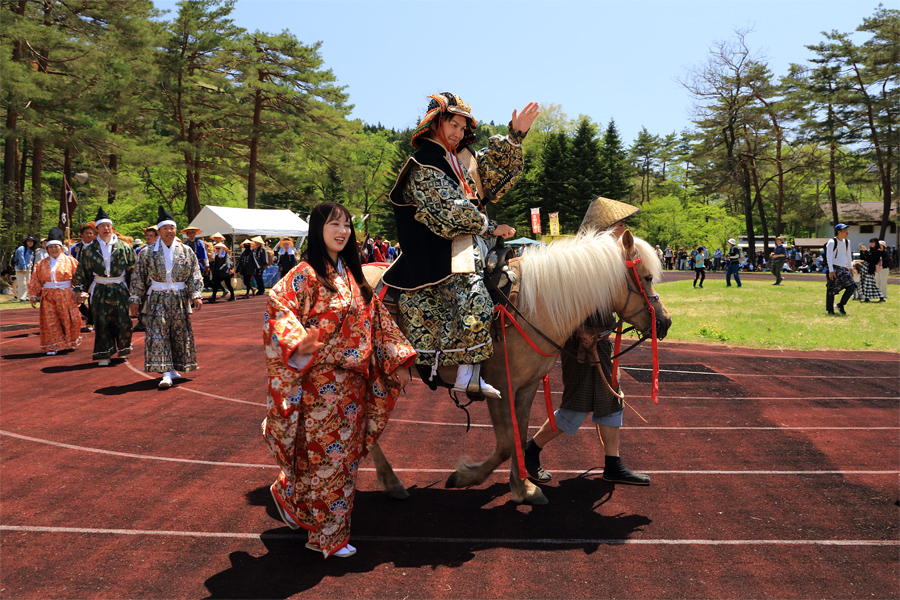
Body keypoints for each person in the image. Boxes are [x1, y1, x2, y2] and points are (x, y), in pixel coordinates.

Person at [263, 201, 416, 558]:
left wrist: (398, 358)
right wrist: (299, 342)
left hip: (355, 385)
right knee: (329, 461)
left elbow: (378, 322)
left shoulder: (353, 275)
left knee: (340, 460)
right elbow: (277, 308)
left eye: (346, 224)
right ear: (318, 229)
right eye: (334, 223)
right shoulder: (304, 273)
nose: (342, 230)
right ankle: (329, 538)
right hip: (319, 383)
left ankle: (289, 493)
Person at [383, 92, 537, 398]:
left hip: (470, 240)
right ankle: (466, 372)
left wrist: (516, 136)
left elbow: (493, 176)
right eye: (452, 125)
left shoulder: (461, 157)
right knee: (474, 293)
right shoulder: (424, 163)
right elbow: (449, 211)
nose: (458, 133)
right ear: (435, 123)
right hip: (438, 246)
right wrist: (491, 227)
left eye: (462, 127)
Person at [523, 195, 652, 487]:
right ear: (606, 228)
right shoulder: (580, 260)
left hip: (600, 341)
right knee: (576, 406)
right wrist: (582, 332)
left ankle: (613, 463)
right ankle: (530, 451)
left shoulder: (610, 259)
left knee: (611, 402)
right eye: (619, 225)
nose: (624, 230)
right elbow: (563, 302)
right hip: (580, 344)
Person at [129, 207, 204, 389]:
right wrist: (135, 299)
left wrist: (196, 295)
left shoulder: (186, 251)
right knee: (159, 333)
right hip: (157, 297)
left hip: (179, 297)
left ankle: (175, 369)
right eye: (165, 229)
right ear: (159, 232)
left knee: (179, 334)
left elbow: (195, 273)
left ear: (176, 230)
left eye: (172, 228)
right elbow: (138, 276)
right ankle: (165, 372)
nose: (169, 231)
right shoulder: (147, 252)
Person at [72, 207, 136, 366]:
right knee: (101, 321)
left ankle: (123, 348)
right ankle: (104, 353)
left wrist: (136, 291)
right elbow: (82, 271)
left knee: (124, 320)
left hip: (120, 287)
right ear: (97, 229)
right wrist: (80, 289)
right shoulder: (89, 250)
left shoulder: (124, 247)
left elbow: (134, 270)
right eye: (102, 226)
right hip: (100, 288)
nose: (106, 229)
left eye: (108, 225)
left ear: (112, 227)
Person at [27, 227, 82, 355]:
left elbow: (79, 278)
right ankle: (53, 345)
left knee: (72, 319)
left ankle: (70, 342)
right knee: (51, 320)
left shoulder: (71, 261)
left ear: (61, 247)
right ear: (47, 249)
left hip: (66, 294)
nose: (53, 249)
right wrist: (33, 294)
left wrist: (80, 291)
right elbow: (35, 279)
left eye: (56, 246)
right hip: (49, 295)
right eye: (51, 247)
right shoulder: (41, 264)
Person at [825, 223, 857, 316]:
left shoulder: (847, 242)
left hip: (843, 268)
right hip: (834, 268)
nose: (847, 232)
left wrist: (850, 268)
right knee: (831, 289)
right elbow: (829, 257)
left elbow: (848, 255)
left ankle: (840, 305)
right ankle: (830, 310)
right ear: (838, 232)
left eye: (847, 230)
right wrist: (831, 270)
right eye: (844, 231)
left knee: (852, 286)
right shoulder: (832, 242)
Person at [858, 238, 886, 303]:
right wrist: (861, 250)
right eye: (870, 242)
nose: (871, 244)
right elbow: (862, 258)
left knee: (870, 283)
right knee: (864, 283)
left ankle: (880, 296)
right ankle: (867, 297)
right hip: (864, 268)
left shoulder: (878, 251)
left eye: (872, 242)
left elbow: (872, 260)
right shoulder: (870, 250)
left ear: (876, 243)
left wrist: (865, 252)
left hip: (870, 269)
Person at [12, 236, 36, 301]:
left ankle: (25, 296)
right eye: (29, 241)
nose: (30, 243)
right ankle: (21, 297)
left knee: (27, 282)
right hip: (20, 268)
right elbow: (21, 258)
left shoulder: (31, 250)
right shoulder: (21, 248)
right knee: (22, 282)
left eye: (32, 241)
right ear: (26, 242)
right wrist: (24, 267)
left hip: (28, 268)